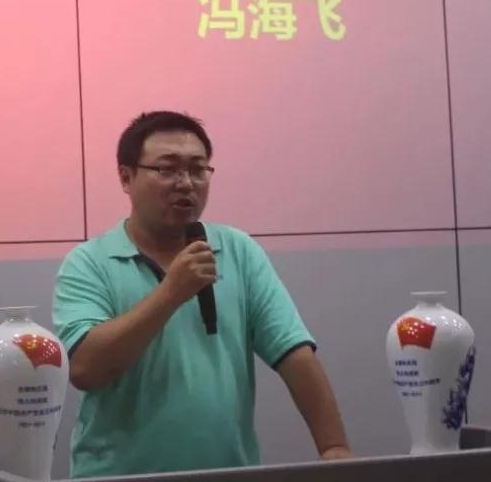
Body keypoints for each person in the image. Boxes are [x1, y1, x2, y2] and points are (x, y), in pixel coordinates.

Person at [52, 110, 353, 478]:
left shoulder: (238, 250)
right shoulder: (89, 263)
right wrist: (170, 293)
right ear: (126, 177)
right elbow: (86, 369)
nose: (185, 183)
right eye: (167, 169)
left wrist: (333, 446)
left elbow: (294, 354)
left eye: (197, 170)